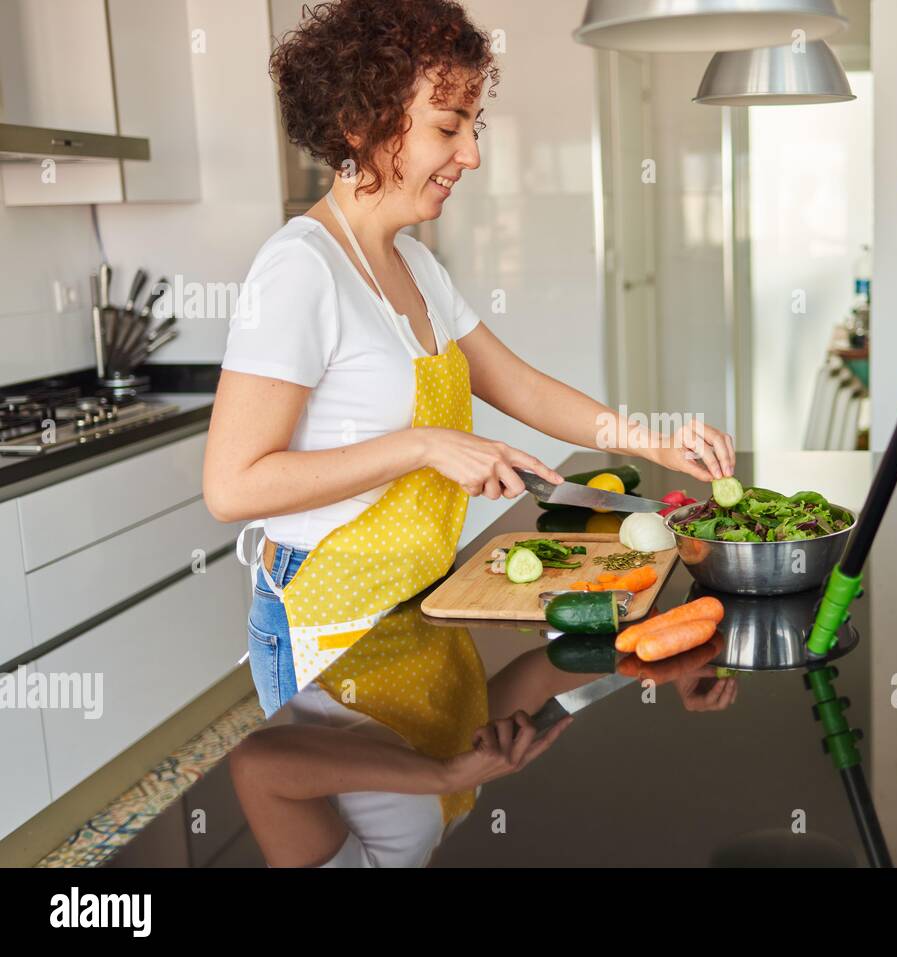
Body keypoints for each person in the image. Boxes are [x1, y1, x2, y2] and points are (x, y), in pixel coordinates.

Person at [202, 0, 735, 717]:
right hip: (331, 615)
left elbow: (518, 386)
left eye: (470, 128)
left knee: (430, 808)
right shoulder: (300, 269)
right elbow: (232, 487)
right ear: (363, 123)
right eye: (448, 127)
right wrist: (423, 445)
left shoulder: (414, 265)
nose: (472, 155)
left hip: (419, 595)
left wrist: (653, 440)